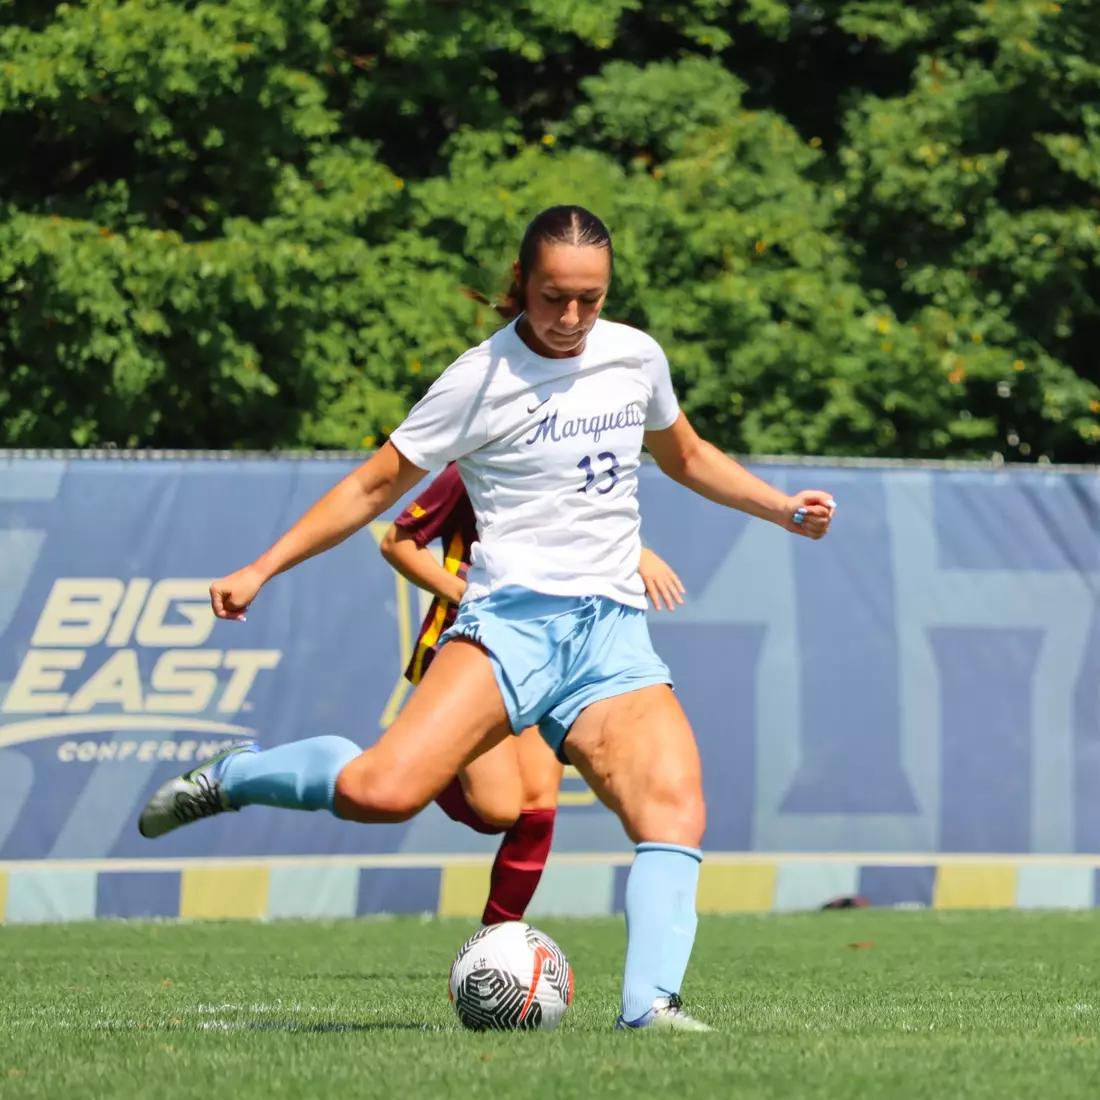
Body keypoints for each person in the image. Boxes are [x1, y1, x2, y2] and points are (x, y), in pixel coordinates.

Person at [136, 203, 836, 1032]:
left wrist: (779, 507)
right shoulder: (478, 378)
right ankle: (238, 776)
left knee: (673, 807)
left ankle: (650, 1009)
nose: (571, 317)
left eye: (590, 298)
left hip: (610, 634)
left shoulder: (634, 356)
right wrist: (262, 567)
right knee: (382, 792)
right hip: (508, 628)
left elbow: (682, 454)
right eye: (552, 297)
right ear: (522, 284)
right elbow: (371, 490)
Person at [381, 460, 687, 926]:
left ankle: (498, 942)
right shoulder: (473, 462)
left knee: (537, 804)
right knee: (496, 810)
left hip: (546, 646)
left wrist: (636, 551)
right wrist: (468, 594)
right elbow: (397, 542)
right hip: (475, 648)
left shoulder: (570, 447)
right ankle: (396, 766)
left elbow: (579, 527)